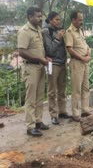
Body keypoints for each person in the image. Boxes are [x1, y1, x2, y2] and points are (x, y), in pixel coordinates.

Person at [17, 7, 51, 137]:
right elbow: (22, 51)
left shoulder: (38, 30)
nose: (40, 18)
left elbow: (39, 49)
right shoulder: (24, 31)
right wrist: (39, 59)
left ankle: (38, 121)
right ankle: (30, 126)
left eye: (40, 16)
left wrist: (45, 57)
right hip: (30, 68)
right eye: (37, 16)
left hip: (40, 66)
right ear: (29, 17)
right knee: (31, 98)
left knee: (39, 96)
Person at [42, 11, 71, 125]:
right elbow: (49, 50)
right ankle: (53, 115)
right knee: (52, 91)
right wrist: (58, 38)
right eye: (56, 19)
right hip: (53, 64)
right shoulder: (46, 31)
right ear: (50, 20)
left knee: (62, 90)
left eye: (60, 19)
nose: (59, 21)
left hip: (62, 63)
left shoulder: (60, 31)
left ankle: (62, 111)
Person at [65, 10, 91, 122]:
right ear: (73, 20)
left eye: (82, 19)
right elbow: (70, 49)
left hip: (85, 62)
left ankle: (85, 110)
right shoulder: (69, 32)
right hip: (77, 63)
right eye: (79, 19)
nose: (81, 21)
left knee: (85, 87)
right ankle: (75, 113)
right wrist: (82, 58)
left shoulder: (80, 32)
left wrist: (89, 53)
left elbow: (85, 45)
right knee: (76, 89)